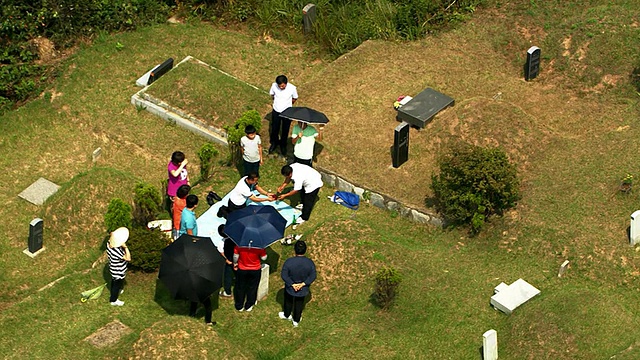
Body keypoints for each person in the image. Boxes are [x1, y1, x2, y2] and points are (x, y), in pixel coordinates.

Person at [279, 240, 316, 327]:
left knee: (288, 301)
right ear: (305, 250)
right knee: (299, 303)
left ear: (294, 250)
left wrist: (292, 284)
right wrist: (303, 284)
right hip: (303, 289)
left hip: (290, 288)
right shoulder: (310, 263)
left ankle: (287, 315)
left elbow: (284, 275)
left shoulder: (289, 262)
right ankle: (296, 320)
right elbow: (313, 276)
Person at [269, 75, 298, 155]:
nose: (281, 87)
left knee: (285, 129)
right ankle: (274, 143)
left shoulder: (292, 88)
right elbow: (272, 95)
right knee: (275, 128)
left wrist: (288, 104)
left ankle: (283, 145)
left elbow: (295, 98)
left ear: (286, 83)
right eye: (279, 86)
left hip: (287, 112)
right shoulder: (274, 86)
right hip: (276, 110)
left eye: (282, 86)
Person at [233, 246, 267, 312]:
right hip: (255, 269)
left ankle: (239, 305)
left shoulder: (239, 245)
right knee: (253, 287)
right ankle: (249, 305)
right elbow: (264, 258)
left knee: (240, 287)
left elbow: (235, 256)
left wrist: (235, 263)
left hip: (242, 269)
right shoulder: (259, 246)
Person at [107, 227, 131, 306]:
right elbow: (128, 258)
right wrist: (125, 247)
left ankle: (118, 290)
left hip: (114, 267)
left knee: (116, 281)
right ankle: (113, 300)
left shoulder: (108, 243)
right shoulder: (116, 252)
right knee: (116, 283)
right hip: (118, 270)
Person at [218, 225, 235, 298]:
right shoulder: (235, 238)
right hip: (238, 259)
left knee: (227, 276)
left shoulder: (221, 243)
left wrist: (226, 260)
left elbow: (221, 253)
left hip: (229, 261)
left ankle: (227, 292)